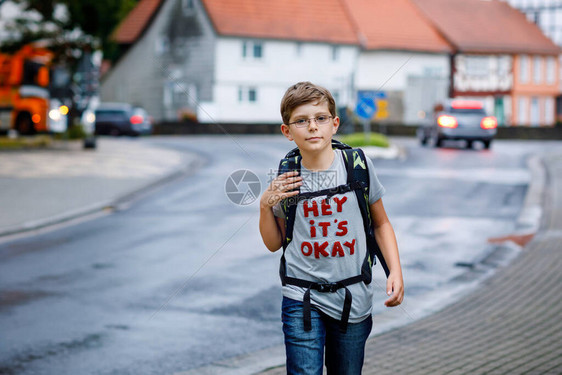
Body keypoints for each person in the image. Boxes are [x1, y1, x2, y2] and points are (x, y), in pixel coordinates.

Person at [259, 81, 404, 375]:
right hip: (301, 298)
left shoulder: (357, 165)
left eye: (320, 118)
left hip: (354, 297)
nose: (313, 127)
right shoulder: (287, 177)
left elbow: (381, 223)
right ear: (287, 131)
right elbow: (274, 243)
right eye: (301, 121)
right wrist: (264, 206)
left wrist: (395, 271)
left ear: (334, 124)